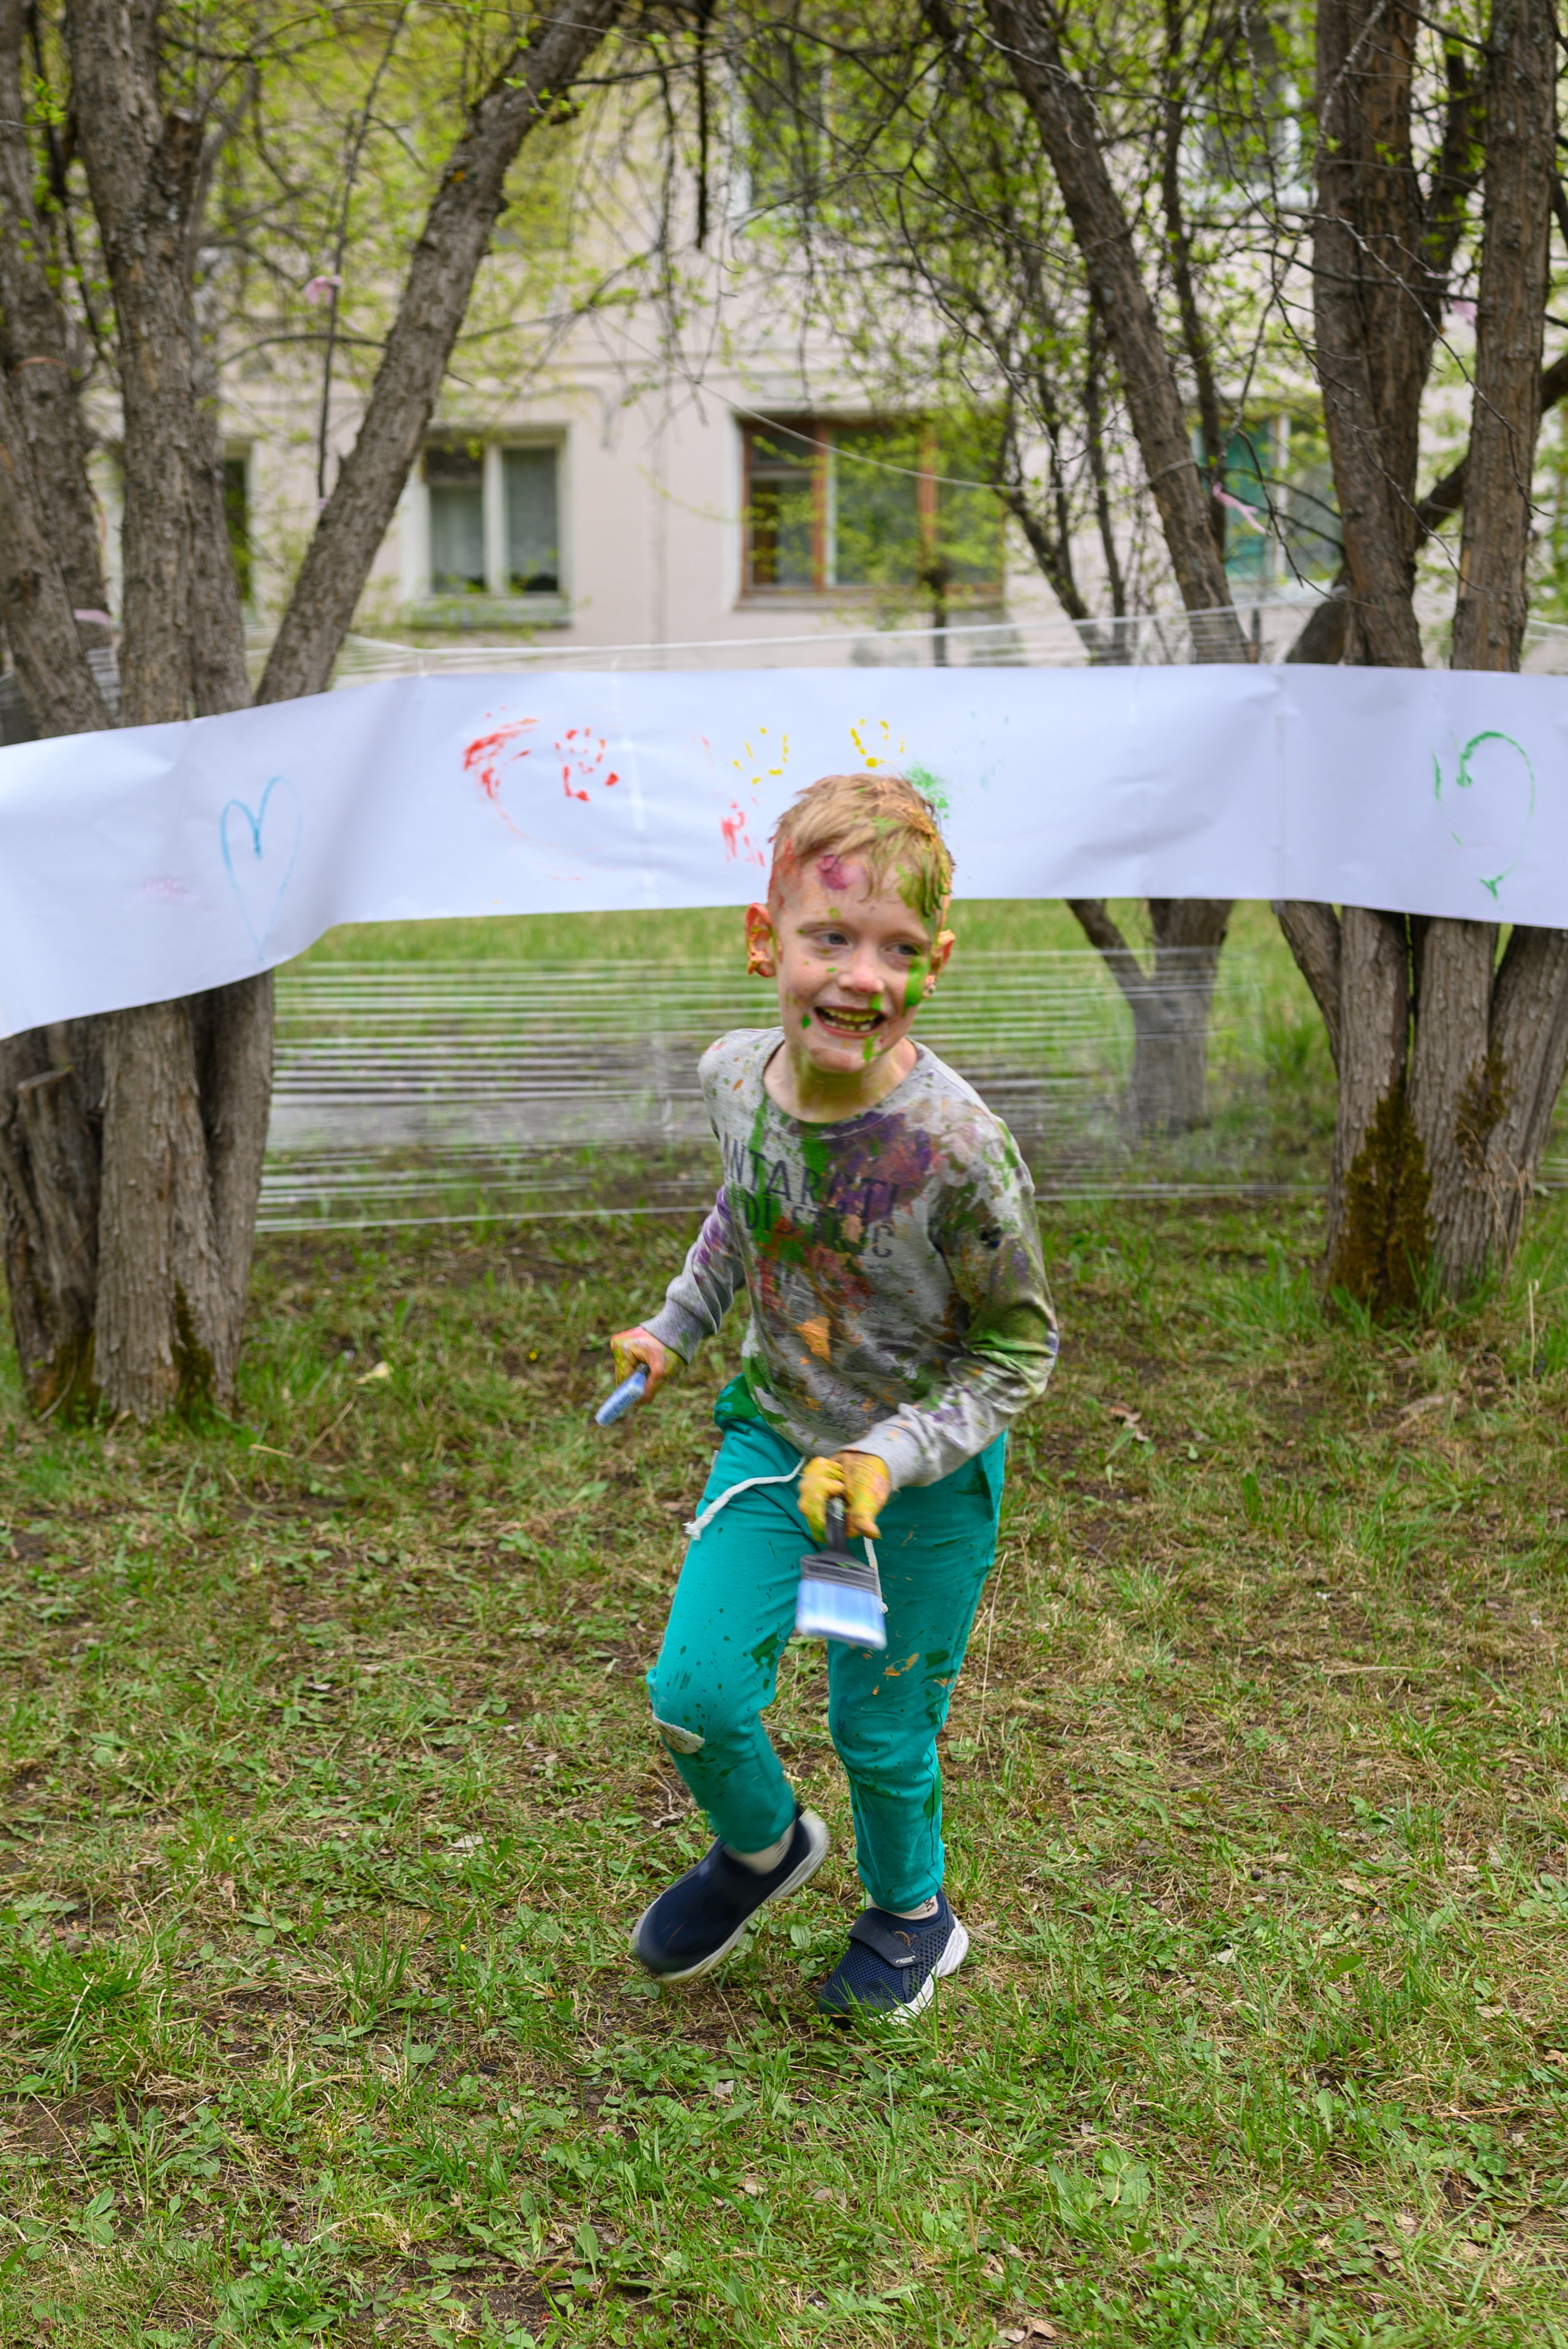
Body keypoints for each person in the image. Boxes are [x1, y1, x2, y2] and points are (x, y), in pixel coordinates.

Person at [609, 770, 1057, 2022]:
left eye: (896, 948)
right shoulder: (730, 1080)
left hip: (910, 1496)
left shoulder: (961, 1155)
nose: (860, 975)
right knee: (693, 1694)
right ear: (766, 943)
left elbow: (1019, 1352)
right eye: (830, 937)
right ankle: (762, 1848)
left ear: (935, 963)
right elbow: (742, 1215)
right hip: (770, 1444)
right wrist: (675, 1325)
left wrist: (891, 1459)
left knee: (875, 1724)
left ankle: (913, 1913)